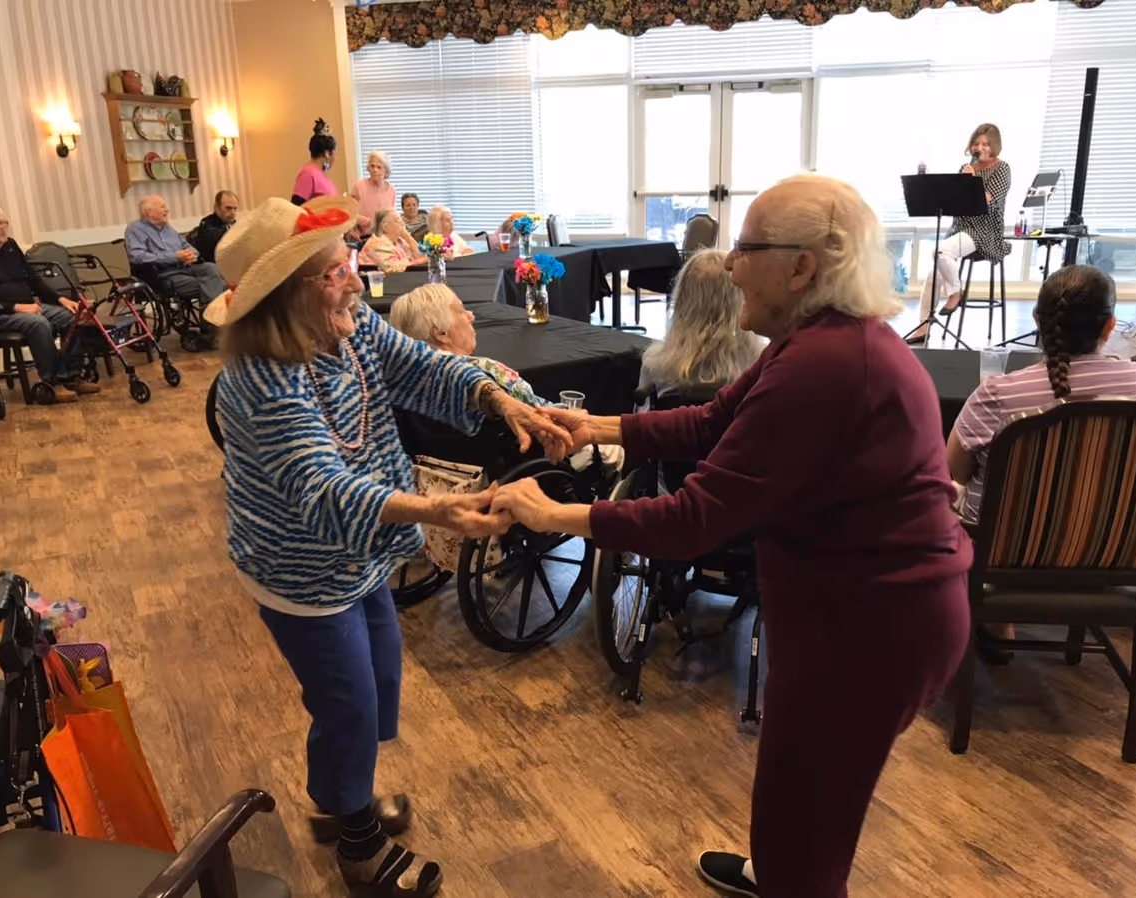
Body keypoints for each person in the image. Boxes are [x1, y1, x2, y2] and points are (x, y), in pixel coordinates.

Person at [492, 174, 973, 898]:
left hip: (872, 631)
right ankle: (780, 871)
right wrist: (593, 425)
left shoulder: (825, 366)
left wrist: (552, 516)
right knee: (806, 810)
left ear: (804, 266)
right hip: (857, 615)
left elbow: (693, 521)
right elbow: (710, 421)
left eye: (747, 247)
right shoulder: (816, 340)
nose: (729, 263)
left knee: (803, 820)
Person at [208, 195, 568, 898]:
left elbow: (423, 368)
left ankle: (339, 800)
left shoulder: (349, 325)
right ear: (286, 297)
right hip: (300, 566)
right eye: (333, 270)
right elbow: (323, 489)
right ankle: (359, 848)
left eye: (345, 261)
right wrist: (439, 508)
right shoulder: (258, 380)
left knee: (378, 684)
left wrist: (501, 398)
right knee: (347, 702)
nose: (354, 276)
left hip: (361, 550)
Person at [947, 265, 1136, 649]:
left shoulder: (998, 394)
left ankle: (999, 621)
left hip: (1004, 557)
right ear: (1110, 325)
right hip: (1110, 551)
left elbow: (952, 473)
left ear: (1037, 321)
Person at [389, 283, 623, 473]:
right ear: (440, 333)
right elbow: (538, 416)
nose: (471, 316)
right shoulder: (487, 373)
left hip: (448, 478)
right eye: (461, 310)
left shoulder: (404, 387)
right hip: (531, 466)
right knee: (615, 448)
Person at [0, 202, 98, 403]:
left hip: (29, 308)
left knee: (72, 317)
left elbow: (34, 280)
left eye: (1, 222)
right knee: (38, 324)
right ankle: (52, 383)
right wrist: (16, 307)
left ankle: (72, 376)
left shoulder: (11, 246)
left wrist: (62, 300)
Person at [910, 123, 1011, 344]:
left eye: (985, 144)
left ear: (995, 145)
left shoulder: (1002, 169)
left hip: (984, 231)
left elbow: (987, 202)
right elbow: (956, 202)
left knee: (939, 252)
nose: (980, 148)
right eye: (977, 143)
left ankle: (955, 293)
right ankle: (922, 328)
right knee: (933, 274)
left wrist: (973, 180)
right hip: (960, 228)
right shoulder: (965, 167)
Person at [638, 248, 763, 394]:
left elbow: (643, 415)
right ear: (740, 299)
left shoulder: (655, 365)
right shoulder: (760, 363)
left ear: (682, 301)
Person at [124, 196, 227, 318]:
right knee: (215, 285)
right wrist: (175, 257)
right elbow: (138, 257)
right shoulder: (135, 229)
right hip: (162, 275)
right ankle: (211, 322)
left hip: (185, 268)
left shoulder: (168, 228)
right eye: (163, 207)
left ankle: (211, 320)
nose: (167, 210)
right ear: (149, 212)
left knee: (210, 268)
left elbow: (187, 246)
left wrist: (191, 254)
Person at [361, 209, 426, 273]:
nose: (402, 223)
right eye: (397, 220)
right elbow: (391, 268)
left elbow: (420, 256)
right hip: (377, 281)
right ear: (385, 227)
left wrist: (408, 237)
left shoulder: (399, 241)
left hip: (399, 279)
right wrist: (422, 261)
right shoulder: (377, 244)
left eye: (401, 219)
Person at [291, 118, 339, 205]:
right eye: (335, 153)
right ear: (327, 153)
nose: (335, 158)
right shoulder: (308, 174)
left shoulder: (321, 174)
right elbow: (296, 207)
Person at [351, 151, 397, 239]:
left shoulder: (391, 189)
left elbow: (390, 215)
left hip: (385, 237)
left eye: (379, 167)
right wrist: (368, 222)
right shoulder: (359, 185)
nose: (375, 170)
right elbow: (351, 213)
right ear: (368, 168)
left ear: (386, 170)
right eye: (372, 166)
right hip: (363, 236)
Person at [192, 190, 238, 263]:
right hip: (213, 265)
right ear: (217, 207)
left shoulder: (235, 224)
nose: (233, 212)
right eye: (228, 208)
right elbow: (219, 241)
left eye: (235, 208)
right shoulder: (206, 223)